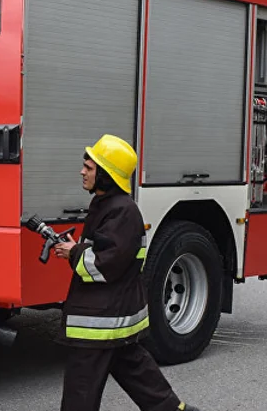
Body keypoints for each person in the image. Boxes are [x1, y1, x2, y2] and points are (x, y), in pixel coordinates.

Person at [53, 134, 202, 411]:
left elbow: (106, 264)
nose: (82, 171)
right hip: (112, 314)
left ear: (106, 175)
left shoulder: (121, 211)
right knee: (139, 375)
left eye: (89, 167)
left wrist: (73, 252)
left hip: (99, 321)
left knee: (80, 393)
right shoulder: (110, 205)